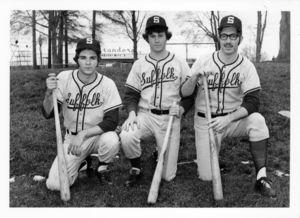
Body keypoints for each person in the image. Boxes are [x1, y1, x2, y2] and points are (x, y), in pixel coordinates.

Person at [181, 15, 276, 197]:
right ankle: (212, 157)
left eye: (233, 36)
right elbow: (184, 93)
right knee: (206, 176)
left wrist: (229, 119)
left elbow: (253, 102)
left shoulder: (247, 66)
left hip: (233, 120)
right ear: (219, 37)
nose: (228, 41)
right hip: (206, 122)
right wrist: (194, 78)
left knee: (257, 121)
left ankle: (261, 177)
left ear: (240, 38)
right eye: (224, 36)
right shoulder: (203, 60)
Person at [119, 15, 192, 187]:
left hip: (170, 118)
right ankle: (136, 168)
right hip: (146, 115)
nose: (157, 39)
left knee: (167, 176)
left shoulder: (179, 62)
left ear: (167, 36)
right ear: (147, 38)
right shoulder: (139, 64)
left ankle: (158, 153)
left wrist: (182, 108)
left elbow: (190, 93)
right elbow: (131, 94)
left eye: (160, 35)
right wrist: (131, 114)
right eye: (153, 36)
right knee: (127, 134)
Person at [42, 38, 122, 190]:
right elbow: (49, 114)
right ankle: (83, 163)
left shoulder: (107, 83)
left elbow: (112, 121)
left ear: (98, 60)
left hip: (97, 136)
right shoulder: (64, 78)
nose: (88, 62)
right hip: (72, 139)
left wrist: (83, 134)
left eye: (92, 58)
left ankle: (102, 166)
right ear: (77, 59)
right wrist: (48, 93)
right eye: (83, 57)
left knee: (111, 139)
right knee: (54, 185)